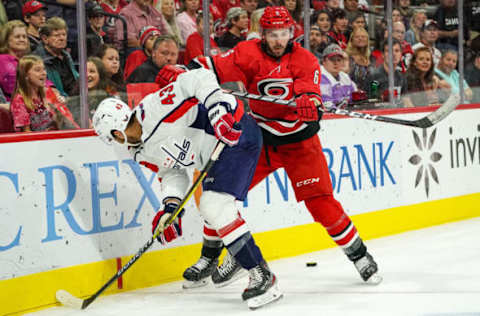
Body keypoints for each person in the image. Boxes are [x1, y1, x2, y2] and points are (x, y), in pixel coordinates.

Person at [183, 5, 381, 288]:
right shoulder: (247, 51)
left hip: (299, 143)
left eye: (283, 33)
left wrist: (309, 104)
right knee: (219, 194)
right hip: (260, 141)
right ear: (263, 33)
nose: (278, 40)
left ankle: (360, 256)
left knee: (321, 204)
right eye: (272, 34)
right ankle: (210, 257)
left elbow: (310, 94)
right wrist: (183, 73)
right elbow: (211, 66)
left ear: (292, 33)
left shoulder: (304, 59)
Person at [92, 66, 283, 310]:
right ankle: (236, 257)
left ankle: (262, 274)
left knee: (214, 205)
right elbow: (172, 172)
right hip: (214, 152)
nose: (118, 143)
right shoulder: (139, 152)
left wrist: (217, 110)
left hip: (235, 132)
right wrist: (171, 207)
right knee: (211, 207)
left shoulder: (153, 108)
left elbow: (197, 77)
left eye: (114, 138)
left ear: (117, 132)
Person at [10, 55, 59, 132]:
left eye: (44, 69)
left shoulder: (46, 94)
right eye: (37, 70)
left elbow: (57, 124)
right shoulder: (19, 100)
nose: (44, 73)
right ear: (25, 75)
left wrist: (58, 108)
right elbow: (26, 133)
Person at [34, 17, 79, 97]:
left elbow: (76, 78)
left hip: (76, 98)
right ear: (45, 39)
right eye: (57, 35)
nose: (62, 38)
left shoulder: (66, 55)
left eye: (64, 34)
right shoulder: (37, 59)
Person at [0, 20, 30, 102]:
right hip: (14, 106)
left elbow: (45, 81)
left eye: (24, 37)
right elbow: (12, 87)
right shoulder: (2, 60)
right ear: (7, 40)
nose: (22, 39)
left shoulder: (28, 59)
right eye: (17, 37)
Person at [346, 27, 372, 92]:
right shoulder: (347, 58)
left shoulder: (371, 58)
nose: (360, 38)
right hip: (354, 95)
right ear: (352, 40)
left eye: (363, 36)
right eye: (357, 37)